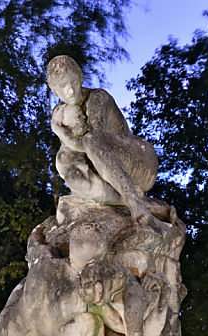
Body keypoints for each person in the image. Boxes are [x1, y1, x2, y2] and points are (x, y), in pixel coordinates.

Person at [47, 55, 161, 229]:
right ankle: (119, 200)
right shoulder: (60, 111)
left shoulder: (98, 98)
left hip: (140, 161)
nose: (70, 91)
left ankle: (136, 205)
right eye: (62, 86)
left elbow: (89, 144)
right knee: (71, 173)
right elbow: (68, 156)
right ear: (54, 90)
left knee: (91, 140)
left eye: (74, 82)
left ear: (81, 78)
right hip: (107, 170)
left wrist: (58, 129)